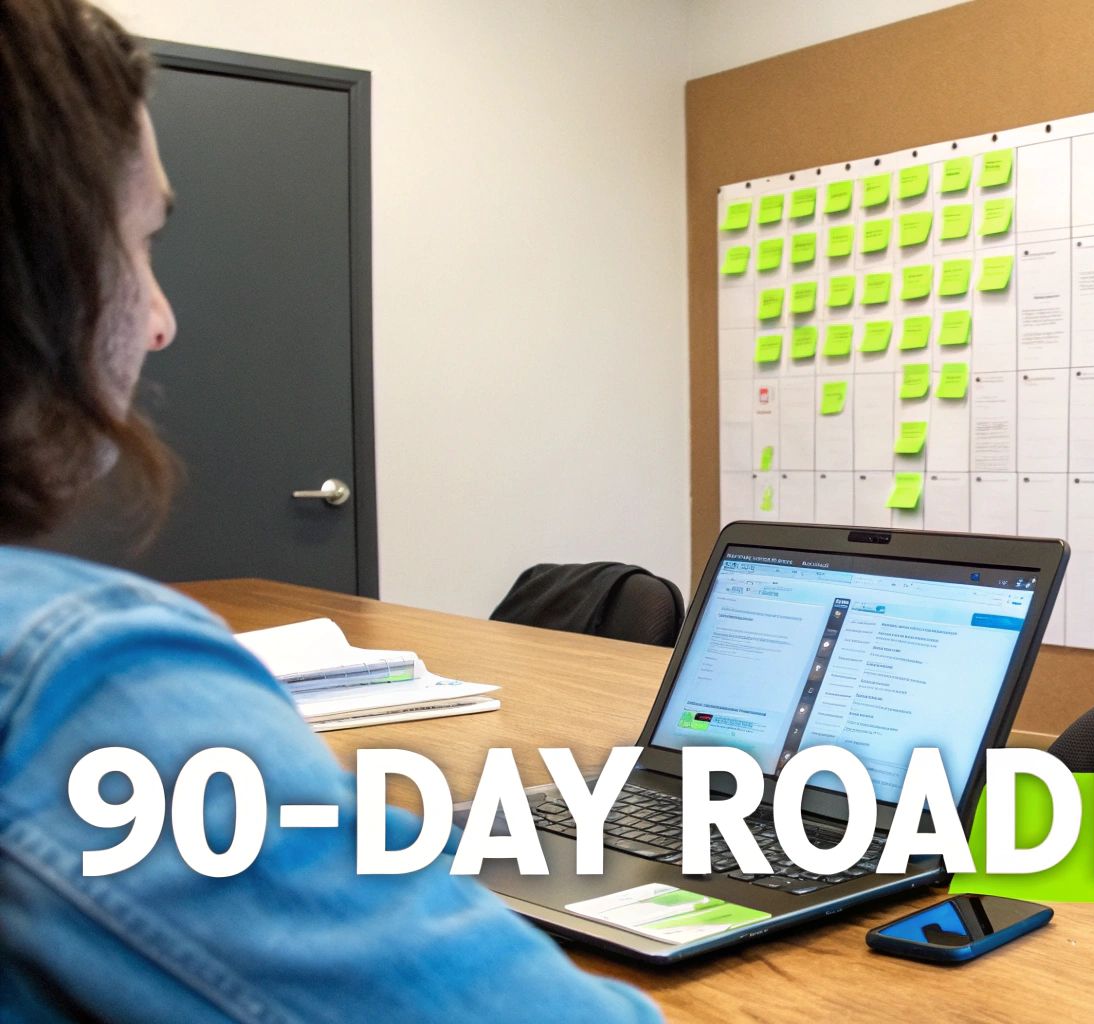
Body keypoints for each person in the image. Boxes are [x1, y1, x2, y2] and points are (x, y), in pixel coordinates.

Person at [0, 2, 661, 1019]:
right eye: (137, 244)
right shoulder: (75, 680)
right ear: (33, 275)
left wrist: (381, 849)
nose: (163, 319)